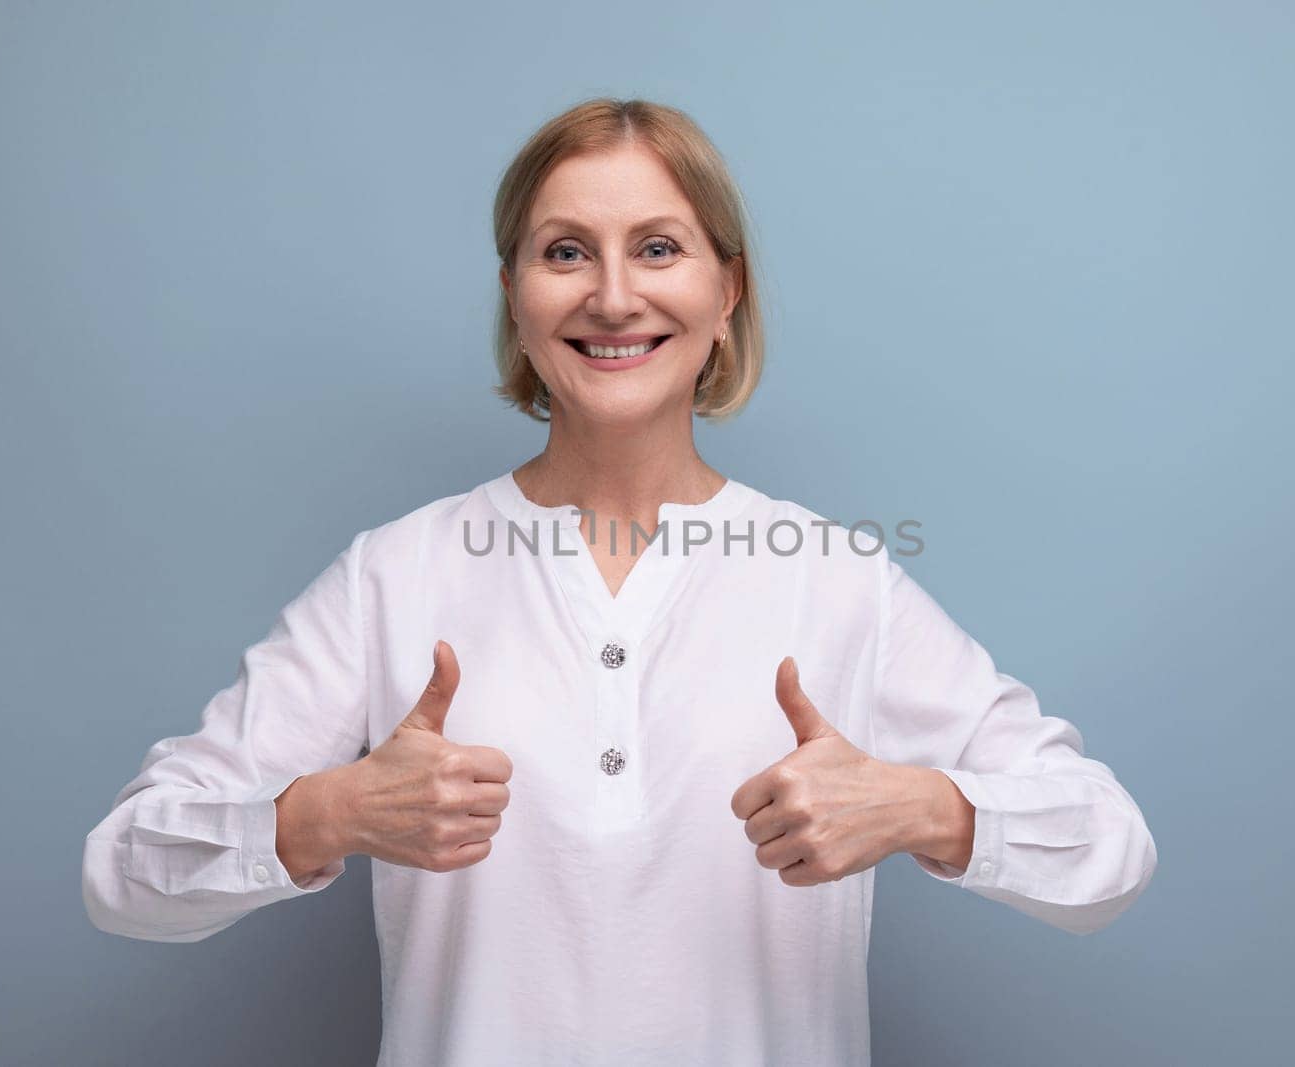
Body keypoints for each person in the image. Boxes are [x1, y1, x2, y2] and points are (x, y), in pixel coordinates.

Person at [82, 96, 1158, 1066]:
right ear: (514, 294)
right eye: (564, 251)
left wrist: (929, 808)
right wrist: (323, 812)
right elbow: (123, 873)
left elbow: (1108, 854)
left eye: (656, 247)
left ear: (724, 288)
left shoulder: (838, 579)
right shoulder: (393, 574)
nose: (611, 295)